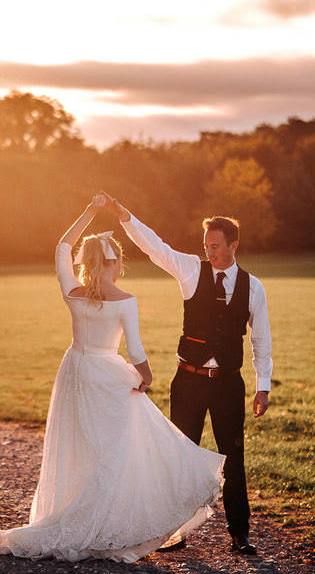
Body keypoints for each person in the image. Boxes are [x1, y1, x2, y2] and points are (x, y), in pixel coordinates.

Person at [0, 196, 224, 562]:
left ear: (87, 262)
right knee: (117, 449)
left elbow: (63, 245)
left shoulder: (72, 292)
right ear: (116, 262)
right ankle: (108, 523)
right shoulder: (126, 300)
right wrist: (146, 376)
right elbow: (137, 352)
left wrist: (89, 212)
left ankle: (82, 514)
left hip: (76, 370)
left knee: (80, 446)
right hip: (108, 373)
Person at [99, 191, 272, 555]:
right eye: (206, 245)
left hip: (227, 384)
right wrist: (123, 213)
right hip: (188, 380)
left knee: (233, 458)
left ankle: (240, 534)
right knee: (179, 455)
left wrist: (263, 386)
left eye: (215, 246)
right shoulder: (191, 269)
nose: (209, 251)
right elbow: (154, 246)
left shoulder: (253, 287)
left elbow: (261, 339)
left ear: (233, 245)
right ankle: (173, 533)